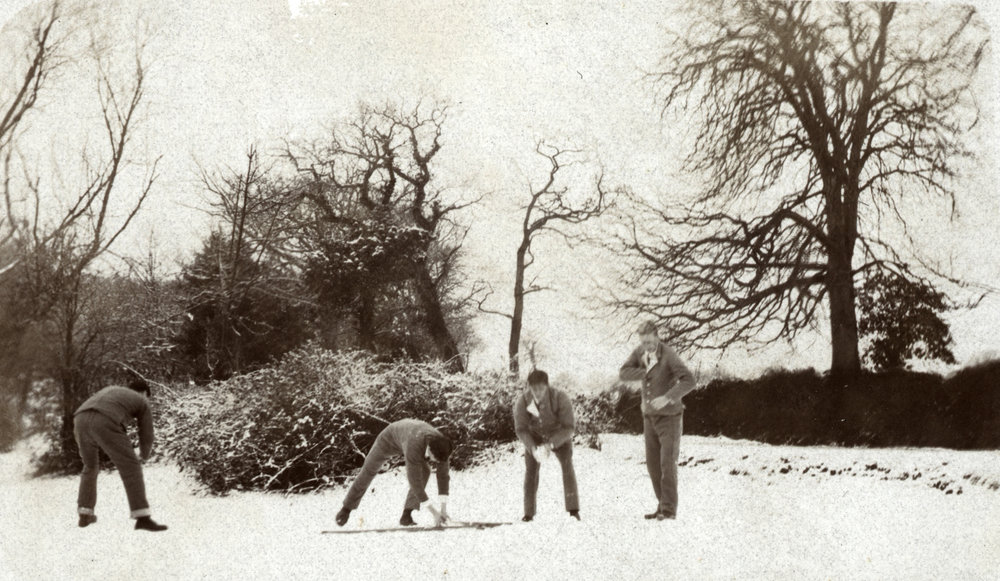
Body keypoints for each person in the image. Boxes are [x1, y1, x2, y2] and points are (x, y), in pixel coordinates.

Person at [619, 320, 696, 521]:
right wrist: (644, 371)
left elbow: (689, 380)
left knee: (667, 464)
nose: (648, 346)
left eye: (650, 342)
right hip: (649, 418)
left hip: (670, 418)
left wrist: (668, 397)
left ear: (657, 336)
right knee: (653, 465)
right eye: (644, 342)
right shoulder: (639, 353)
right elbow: (623, 373)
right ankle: (662, 505)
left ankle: (669, 510)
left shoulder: (668, 355)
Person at [73, 379, 168, 531]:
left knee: (90, 466)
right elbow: (146, 433)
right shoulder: (141, 401)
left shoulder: (113, 390)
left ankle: (85, 513)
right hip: (104, 420)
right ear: (144, 393)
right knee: (131, 467)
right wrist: (144, 454)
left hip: (80, 418)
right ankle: (142, 516)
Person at [335, 418, 452, 527]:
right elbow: (414, 481)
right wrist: (433, 512)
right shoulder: (415, 444)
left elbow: (443, 477)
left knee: (424, 471)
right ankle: (346, 509)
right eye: (433, 458)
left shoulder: (442, 446)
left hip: (410, 436)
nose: (434, 462)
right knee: (369, 470)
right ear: (430, 449)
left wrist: (443, 509)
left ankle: (407, 515)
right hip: (389, 439)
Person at [512, 369, 580, 522]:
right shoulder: (522, 401)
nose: (537, 392)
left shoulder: (560, 397)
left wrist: (551, 444)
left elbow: (569, 427)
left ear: (547, 386)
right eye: (534, 388)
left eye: (541, 388)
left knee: (567, 467)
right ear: (529, 387)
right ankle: (528, 513)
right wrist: (532, 447)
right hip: (534, 437)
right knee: (530, 472)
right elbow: (521, 429)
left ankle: (573, 510)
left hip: (558, 436)